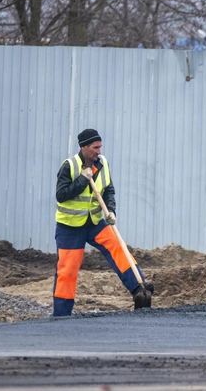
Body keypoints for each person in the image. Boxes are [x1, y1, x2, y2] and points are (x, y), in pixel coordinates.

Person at [53, 128, 153, 316]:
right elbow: (61, 195)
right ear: (83, 147)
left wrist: (111, 209)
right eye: (95, 147)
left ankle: (139, 289)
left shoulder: (103, 163)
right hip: (70, 228)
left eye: (100, 147)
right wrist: (83, 180)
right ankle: (61, 316)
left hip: (95, 223)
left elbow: (108, 190)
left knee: (117, 247)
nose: (99, 151)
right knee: (67, 270)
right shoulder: (69, 166)